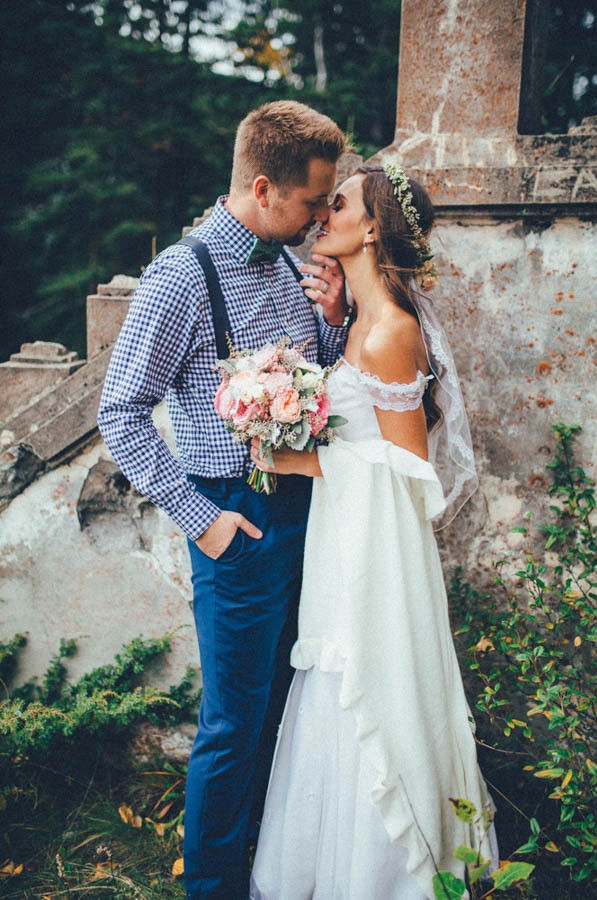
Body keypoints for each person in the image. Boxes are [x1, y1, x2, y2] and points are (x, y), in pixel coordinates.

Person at [97, 100, 350, 900]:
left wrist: (336, 321)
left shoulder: (284, 264)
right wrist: (202, 520)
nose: (320, 219)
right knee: (234, 726)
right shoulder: (183, 275)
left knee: (284, 709)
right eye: (314, 201)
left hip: (307, 515)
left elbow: (326, 387)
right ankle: (211, 889)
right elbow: (119, 413)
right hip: (234, 518)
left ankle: (264, 872)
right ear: (266, 187)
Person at [248, 164, 497, 899]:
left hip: (377, 549)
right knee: (334, 678)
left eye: (342, 202)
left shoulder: (391, 332)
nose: (326, 211)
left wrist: (304, 461)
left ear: (372, 228)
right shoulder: (357, 324)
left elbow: (408, 470)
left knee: (369, 681)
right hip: (345, 537)